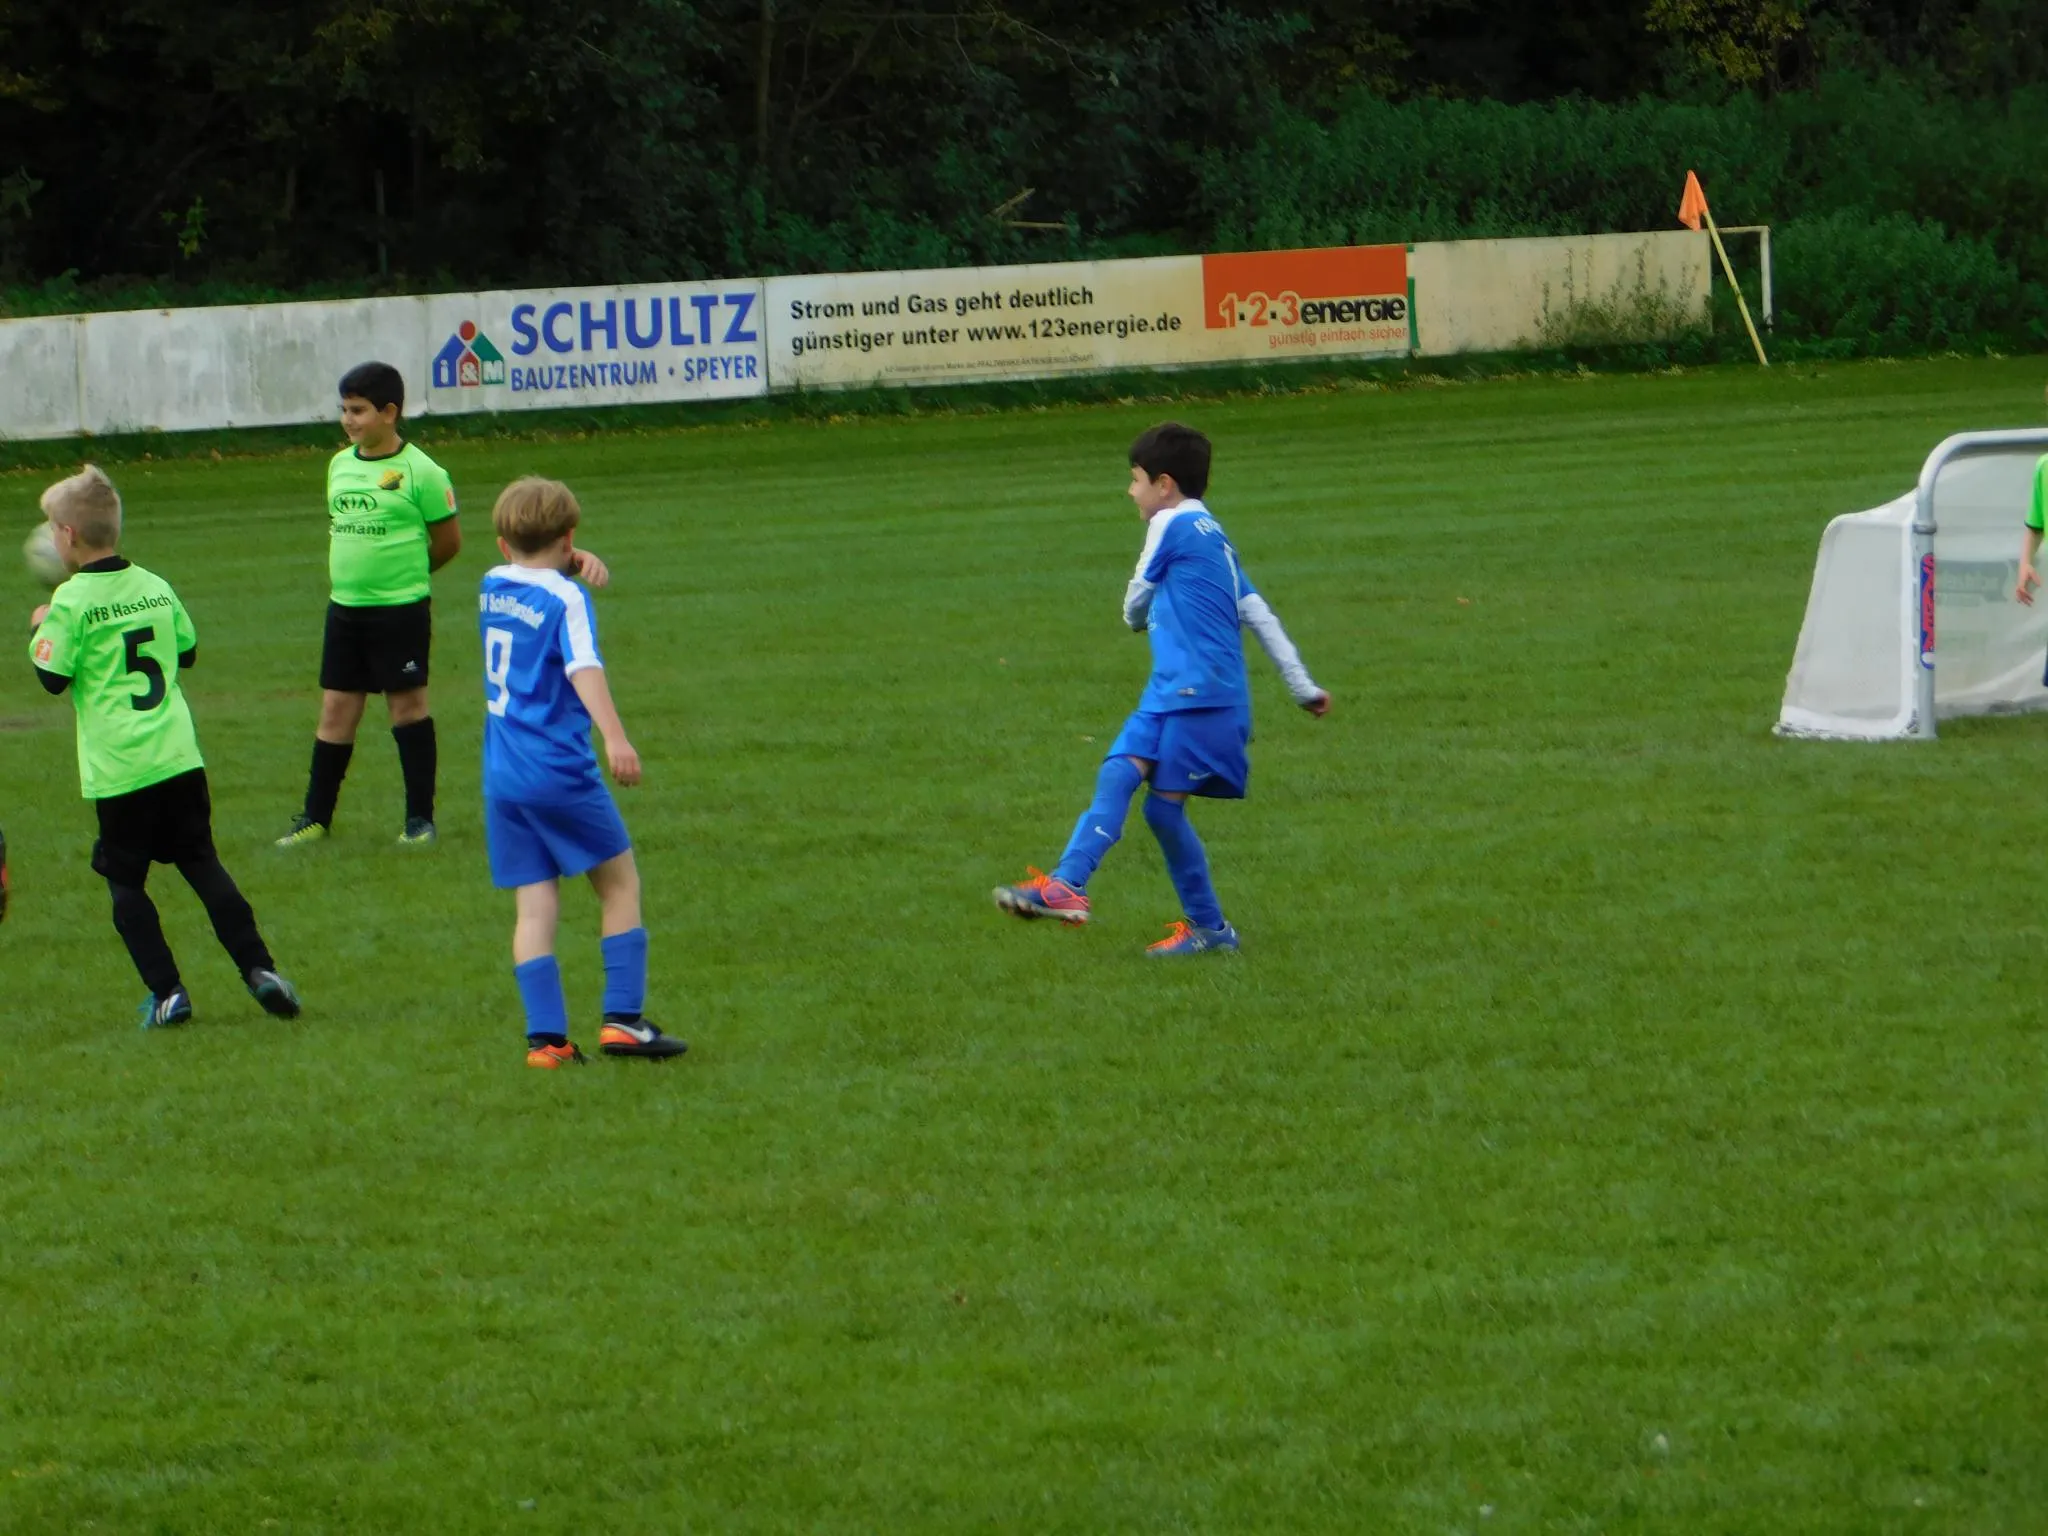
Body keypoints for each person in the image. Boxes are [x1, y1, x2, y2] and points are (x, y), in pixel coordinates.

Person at [993, 422, 1330, 955]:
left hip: (1203, 697)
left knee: (1161, 810)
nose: (1132, 492)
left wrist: (1134, 617)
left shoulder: (1171, 522)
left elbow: (1137, 592)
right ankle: (1067, 885)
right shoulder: (1217, 539)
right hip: (1172, 692)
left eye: (1136, 480)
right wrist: (1302, 686)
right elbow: (1258, 613)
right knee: (1118, 772)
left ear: (1164, 484)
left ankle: (1209, 930)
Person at [28, 466, 300, 1026]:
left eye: (54, 529)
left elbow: (52, 678)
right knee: (203, 864)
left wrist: (40, 628)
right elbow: (187, 650)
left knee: (125, 882)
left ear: (69, 536)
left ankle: (168, 992)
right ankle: (260, 969)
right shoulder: (154, 585)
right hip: (177, 758)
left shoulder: (70, 601)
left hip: (120, 769)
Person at [477, 476, 685, 1068]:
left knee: (534, 904)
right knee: (618, 884)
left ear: (502, 543)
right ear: (569, 536)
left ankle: (547, 1042)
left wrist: (566, 560)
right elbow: (583, 667)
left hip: (503, 775)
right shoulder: (566, 599)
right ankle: (623, 1021)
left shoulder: (491, 585)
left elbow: (530, 576)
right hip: (557, 769)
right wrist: (615, 738)